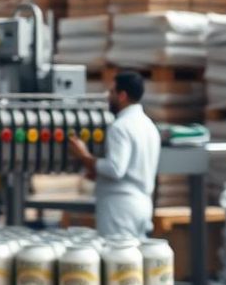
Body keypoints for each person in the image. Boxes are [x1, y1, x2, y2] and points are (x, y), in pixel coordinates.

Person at [68, 71, 161, 238]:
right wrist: (98, 173)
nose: (108, 97)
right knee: (134, 259)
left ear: (122, 96)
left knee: (118, 259)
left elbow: (115, 169)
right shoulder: (149, 125)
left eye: (111, 92)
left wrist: (84, 155)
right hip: (143, 204)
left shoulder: (120, 126)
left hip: (120, 208)